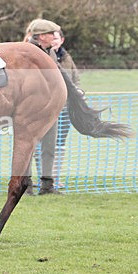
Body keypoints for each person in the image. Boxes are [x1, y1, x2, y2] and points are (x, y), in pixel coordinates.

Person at [23, 18, 62, 195]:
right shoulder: (27, 52)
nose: (55, 36)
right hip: (31, 108)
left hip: (50, 106)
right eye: (51, 33)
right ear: (42, 36)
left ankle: (47, 185)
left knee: (49, 147)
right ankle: (25, 185)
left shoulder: (50, 52)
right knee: (26, 147)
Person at [51, 29, 80, 189]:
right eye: (52, 37)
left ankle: (55, 177)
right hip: (47, 107)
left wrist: (77, 93)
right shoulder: (44, 56)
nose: (54, 41)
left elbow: (75, 78)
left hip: (65, 108)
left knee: (60, 143)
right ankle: (43, 176)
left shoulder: (67, 58)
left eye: (57, 38)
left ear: (62, 40)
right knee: (42, 144)